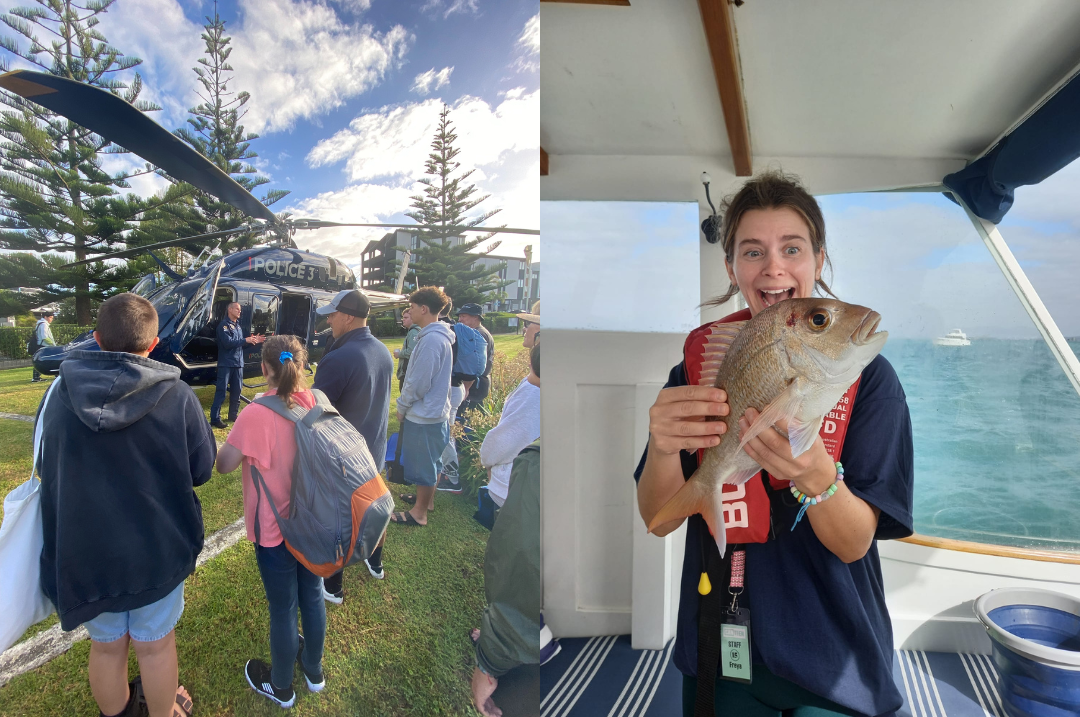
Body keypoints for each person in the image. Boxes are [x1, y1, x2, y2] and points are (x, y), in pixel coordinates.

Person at [634, 171, 914, 717]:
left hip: (836, 654)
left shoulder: (873, 381)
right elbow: (659, 518)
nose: (774, 267)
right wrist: (664, 446)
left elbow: (856, 543)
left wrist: (816, 475)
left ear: (818, 259)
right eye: (753, 251)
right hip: (722, 641)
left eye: (792, 248)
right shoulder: (691, 375)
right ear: (731, 266)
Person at [36, 292, 215, 717]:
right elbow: (202, 468)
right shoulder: (179, 396)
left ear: (97, 339)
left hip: (85, 553)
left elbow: (45, 464)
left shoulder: (56, 395)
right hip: (157, 548)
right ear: (152, 344)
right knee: (155, 648)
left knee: (107, 647)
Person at [216, 335, 327, 709]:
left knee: (283, 609)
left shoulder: (255, 413)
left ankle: (281, 687)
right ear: (300, 363)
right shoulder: (315, 400)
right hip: (311, 523)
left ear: (264, 368)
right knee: (311, 597)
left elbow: (224, 464)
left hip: (274, 531)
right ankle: (313, 670)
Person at [471, 343, 542, 717]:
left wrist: (486, 456)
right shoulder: (537, 389)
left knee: (504, 565)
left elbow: (503, 440)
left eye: (535, 326)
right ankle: (494, 624)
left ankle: (497, 632)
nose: (529, 330)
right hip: (515, 490)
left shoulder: (535, 395)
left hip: (512, 494)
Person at [312, 288, 394, 600]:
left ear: (348, 317)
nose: (329, 319)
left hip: (345, 459)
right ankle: (376, 562)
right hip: (374, 450)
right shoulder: (382, 350)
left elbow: (316, 413)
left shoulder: (339, 357)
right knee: (374, 510)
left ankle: (333, 586)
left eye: (333, 314)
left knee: (337, 520)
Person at [391, 286, 454, 526]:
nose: (410, 311)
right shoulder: (438, 336)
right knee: (432, 461)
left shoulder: (430, 341)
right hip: (435, 413)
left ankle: (419, 513)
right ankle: (426, 501)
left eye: (413, 307)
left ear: (424, 309)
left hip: (426, 415)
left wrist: (402, 405)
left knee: (425, 463)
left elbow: (417, 382)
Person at [479, 338, 540, 510]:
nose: (525, 330)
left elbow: (512, 436)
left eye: (530, 324)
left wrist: (489, 462)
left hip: (518, 487)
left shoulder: (534, 389)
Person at [210, 301, 264, 429]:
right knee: (221, 391)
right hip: (226, 363)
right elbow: (228, 343)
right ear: (230, 310)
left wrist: (252, 341)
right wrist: (246, 340)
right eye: (237, 309)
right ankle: (215, 418)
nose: (239, 311)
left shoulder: (238, 326)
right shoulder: (223, 326)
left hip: (238, 363)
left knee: (237, 391)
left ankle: (233, 415)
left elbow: (239, 344)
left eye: (240, 310)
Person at [457, 303, 495, 415]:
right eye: (459, 316)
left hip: (474, 383)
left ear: (475, 317)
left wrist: (466, 387)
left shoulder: (477, 334)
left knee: (468, 421)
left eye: (464, 316)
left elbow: (473, 363)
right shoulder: (479, 332)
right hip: (479, 382)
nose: (460, 319)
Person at [394, 306, 421, 392]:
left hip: (407, 373)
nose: (403, 319)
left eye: (406, 317)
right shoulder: (414, 331)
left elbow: (411, 352)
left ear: (413, 318)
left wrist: (399, 354)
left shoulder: (413, 332)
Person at [30, 310, 56, 382]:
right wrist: (53, 344)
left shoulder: (40, 324)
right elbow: (44, 337)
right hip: (44, 345)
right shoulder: (44, 324)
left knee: (39, 360)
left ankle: (36, 377)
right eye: (50, 317)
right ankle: (56, 375)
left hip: (41, 345)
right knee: (52, 360)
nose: (51, 319)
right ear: (45, 317)